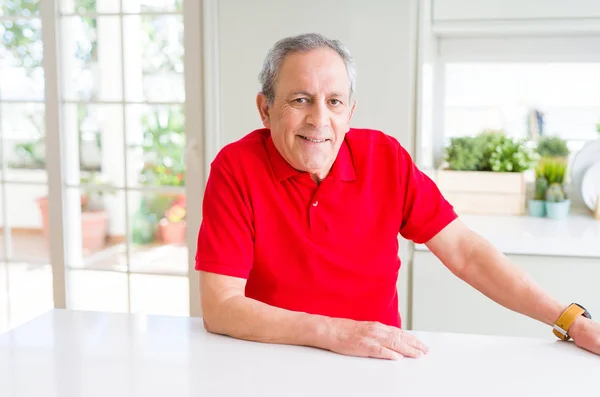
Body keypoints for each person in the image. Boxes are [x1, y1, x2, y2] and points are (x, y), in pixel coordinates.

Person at [195, 33, 600, 360]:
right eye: (300, 100)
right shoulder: (235, 167)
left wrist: (571, 320)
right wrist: (333, 331)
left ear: (350, 112)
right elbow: (220, 306)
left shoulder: (383, 157)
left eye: (334, 101)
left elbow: (464, 251)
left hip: (378, 361)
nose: (319, 118)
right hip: (271, 359)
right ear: (265, 110)